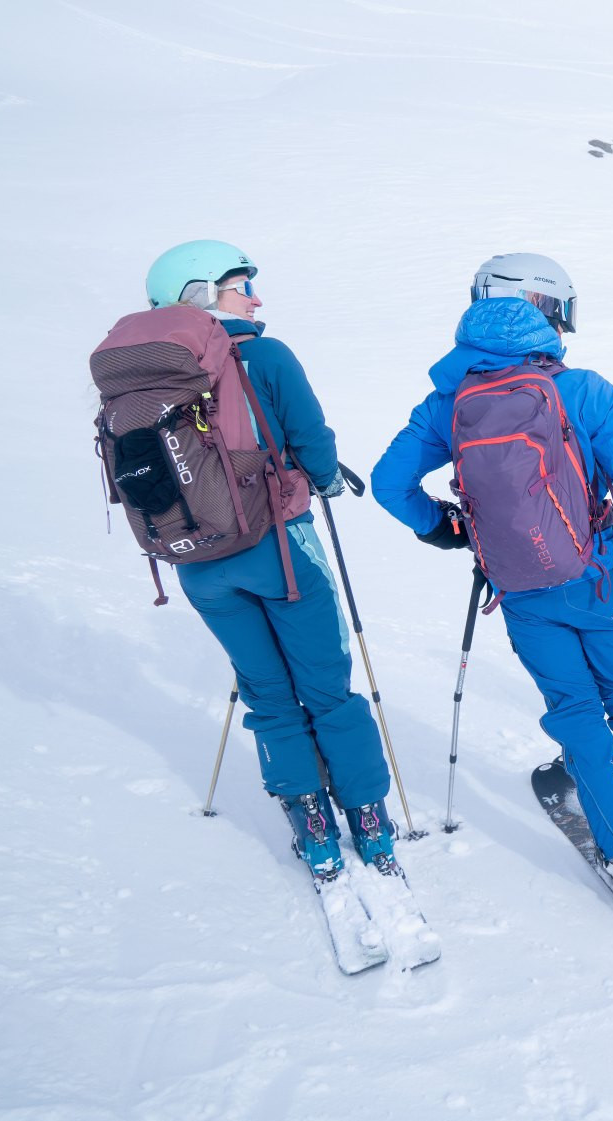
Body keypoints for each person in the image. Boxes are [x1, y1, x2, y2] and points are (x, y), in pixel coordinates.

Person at [370, 253, 613, 909]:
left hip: (519, 585)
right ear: (543, 320)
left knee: (577, 714)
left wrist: (442, 526)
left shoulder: (448, 403)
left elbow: (388, 483)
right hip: (598, 576)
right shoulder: (586, 391)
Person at [141, 240, 399, 880]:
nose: (256, 299)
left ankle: (311, 825)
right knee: (327, 691)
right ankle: (367, 820)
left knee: (268, 693)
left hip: (198, 563)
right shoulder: (263, 354)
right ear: (199, 296)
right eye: (239, 286)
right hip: (279, 550)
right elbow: (312, 442)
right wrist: (325, 477)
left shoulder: (150, 380)